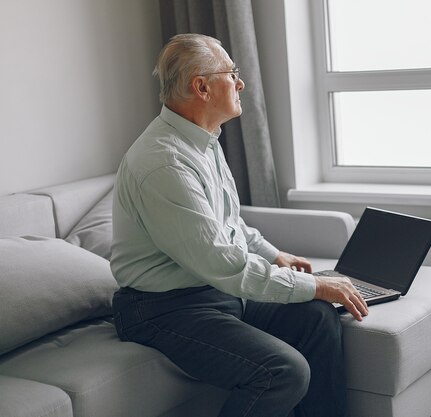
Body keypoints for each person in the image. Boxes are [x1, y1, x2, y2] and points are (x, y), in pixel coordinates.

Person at [109, 33, 368, 417]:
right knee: (283, 371)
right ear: (202, 87)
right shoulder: (164, 164)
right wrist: (315, 284)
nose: (240, 82)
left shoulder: (202, 142)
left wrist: (277, 256)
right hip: (162, 309)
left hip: (211, 292)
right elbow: (223, 263)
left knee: (316, 317)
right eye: (232, 73)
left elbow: (227, 226)